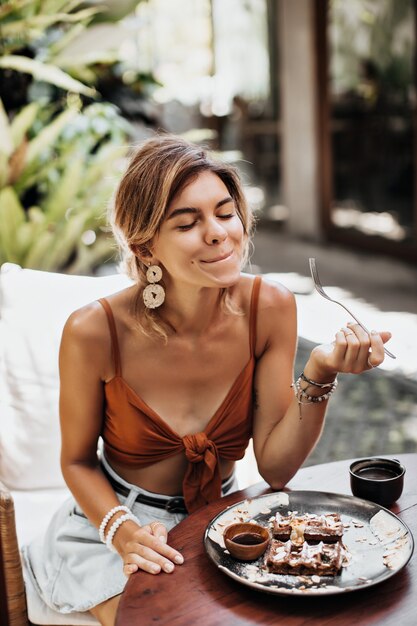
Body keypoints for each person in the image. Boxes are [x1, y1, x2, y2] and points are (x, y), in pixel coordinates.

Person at [22, 134, 392, 626]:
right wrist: (122, 530)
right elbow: (74, 461)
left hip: (224, 522)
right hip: (117, 531)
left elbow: (277, 469)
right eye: (187, 222)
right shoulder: (94, 331)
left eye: (225, 211)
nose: (218, 233)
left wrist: (319, 371)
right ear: (144, 245)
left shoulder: (271, 307)